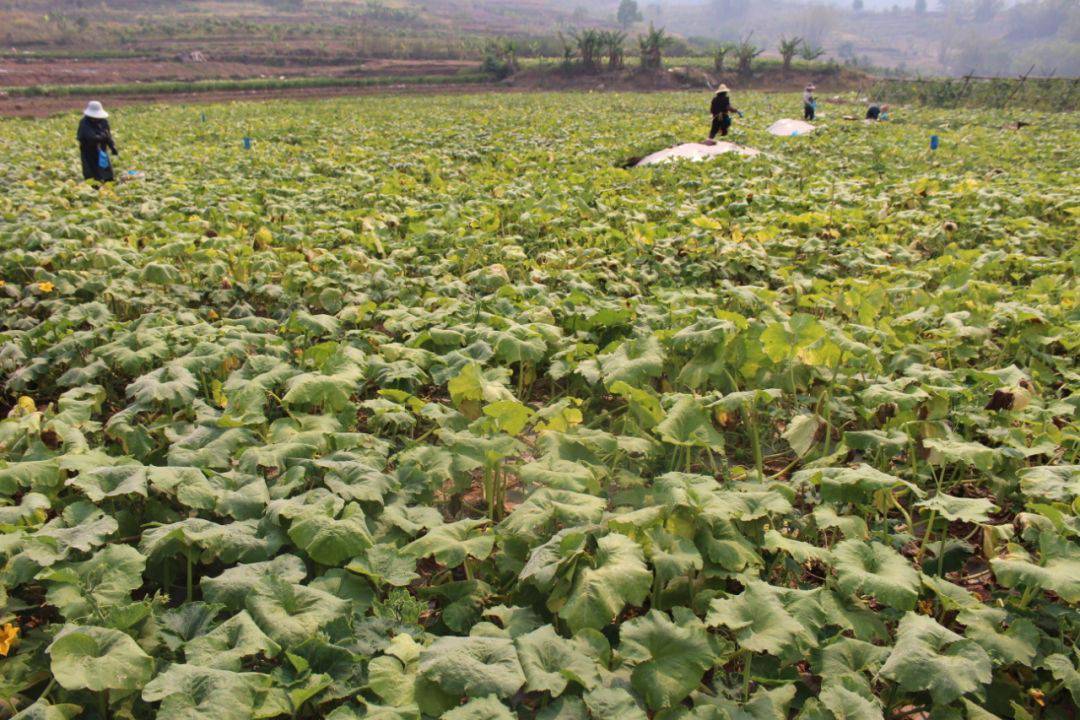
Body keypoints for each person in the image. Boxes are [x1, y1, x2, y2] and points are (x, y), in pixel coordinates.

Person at [77, 101, 118, 182]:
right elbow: (91, 137)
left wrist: (112, 147)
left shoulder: (103, 121)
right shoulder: (84, 123)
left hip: (102, 149)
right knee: (91, 172)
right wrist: (102, 137)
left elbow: (108, 135)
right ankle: (94, 187)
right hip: (88, 150)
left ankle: (108, 182)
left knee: (106, 170)